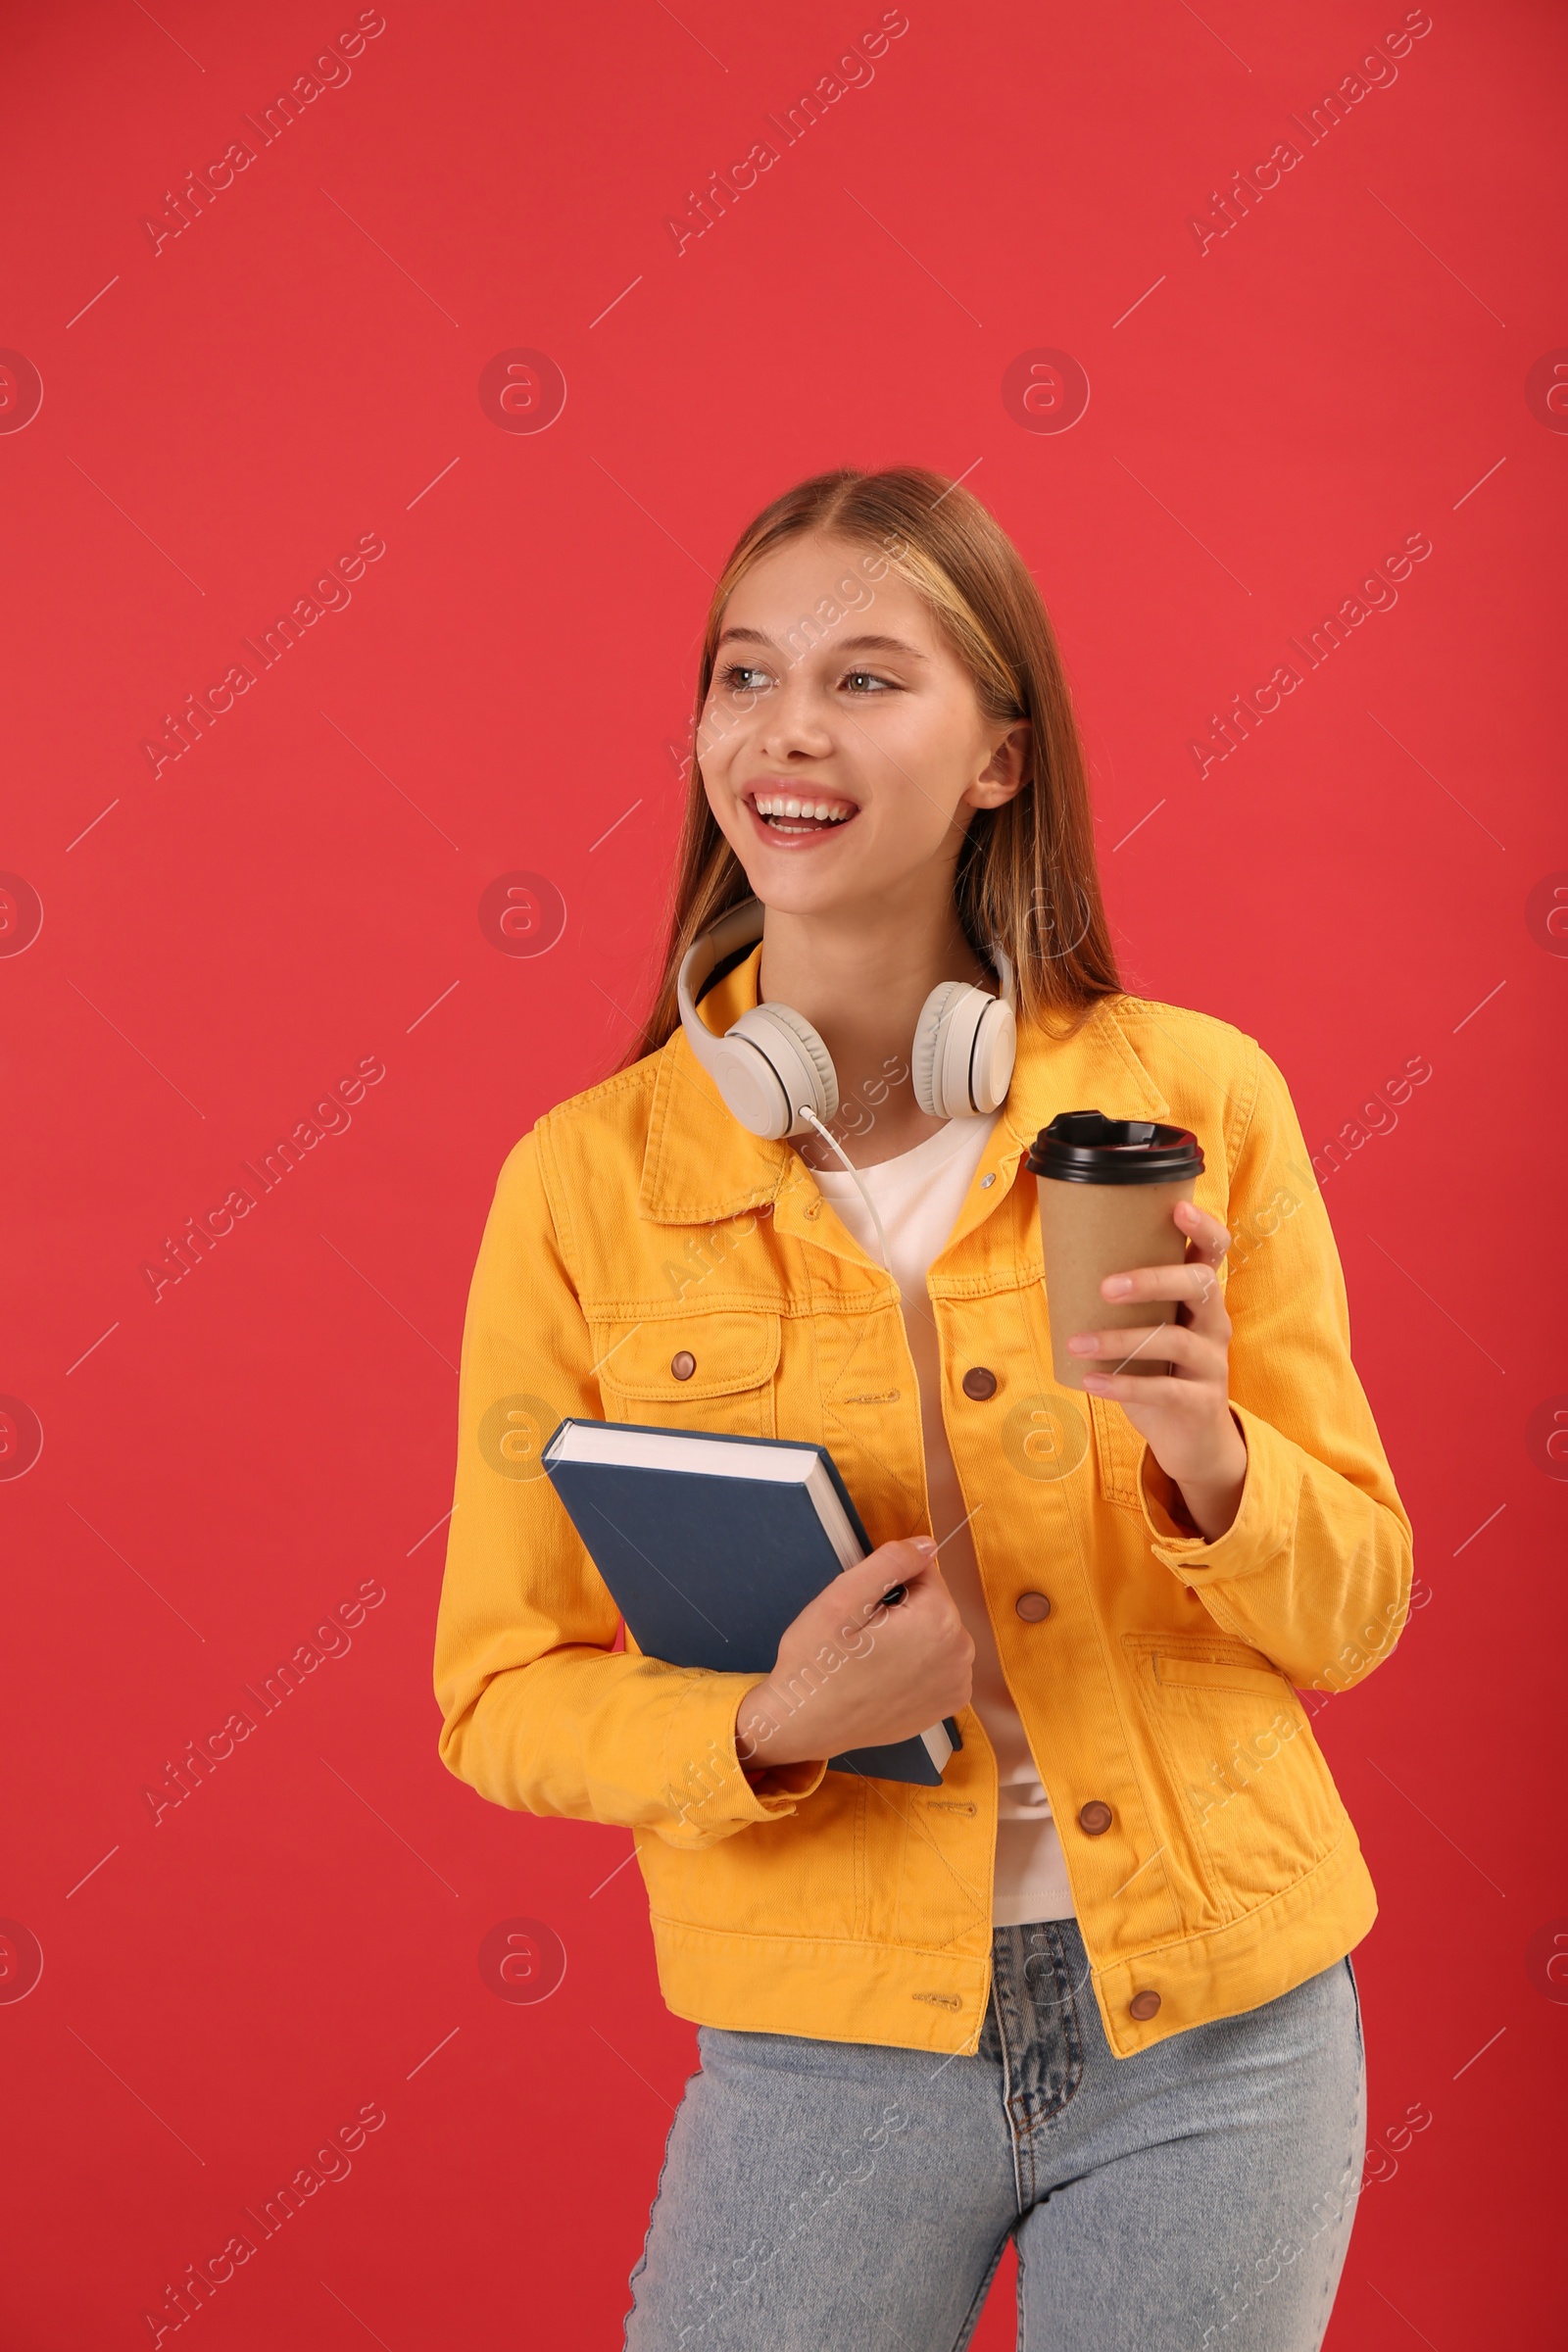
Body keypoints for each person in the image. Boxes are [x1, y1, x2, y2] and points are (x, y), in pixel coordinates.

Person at [432, 466, 1413, 2349]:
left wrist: (1214, 1459)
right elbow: (495, 1690)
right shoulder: (584, 1184)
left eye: (868, 680)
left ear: (999, 759)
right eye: (745, 675)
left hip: (1222, 2024)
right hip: (827, 2040)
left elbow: (1355, 1607)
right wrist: (782, 1720)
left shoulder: (1196, 1099)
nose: (786, 731)